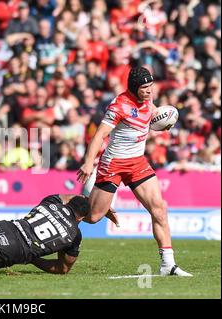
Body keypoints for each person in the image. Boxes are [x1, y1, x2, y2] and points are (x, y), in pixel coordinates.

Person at [77, 67, 192, 277]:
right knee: (94, 216)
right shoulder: (119, 106)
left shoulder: (147, 100)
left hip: (137, 163)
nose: (149, 91)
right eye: (144, 88)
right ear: (133, 88)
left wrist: (167, 120)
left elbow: (154, 114)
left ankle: (168, 264)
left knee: (159, 209)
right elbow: (99, 136)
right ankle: (63, 210)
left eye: (151, 86)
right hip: (113, 164)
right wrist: (87, 162)